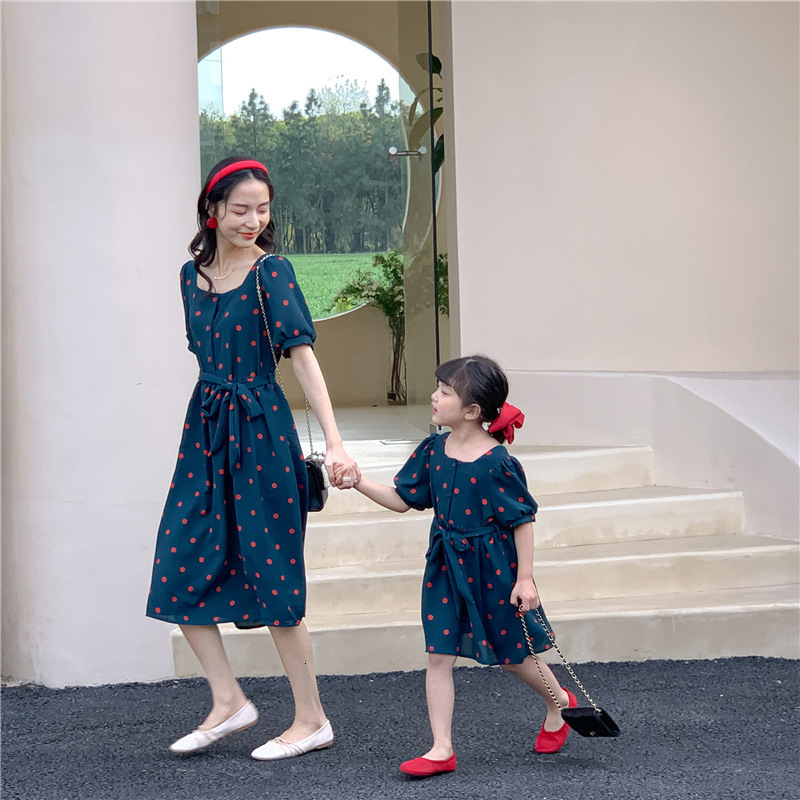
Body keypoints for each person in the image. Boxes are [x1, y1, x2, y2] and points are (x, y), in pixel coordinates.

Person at [146, 157, 360, 760]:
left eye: (262, 209)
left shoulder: (274, 273)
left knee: (273, 577)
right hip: (206, 431)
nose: (253, 220)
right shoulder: (190, 277)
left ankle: (312, 718)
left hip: (262, 430)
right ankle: (229, 702)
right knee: (176, 568)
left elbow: (303, 358)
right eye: (240, 209)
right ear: (211, 211)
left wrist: (335, 441)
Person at [339, 355, 576, 776]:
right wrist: (358, 481)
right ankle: (441, 749)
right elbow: (402, 499)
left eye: (445, 391)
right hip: (446, 565)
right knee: (439, 654)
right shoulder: (433, 449)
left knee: (512, 654)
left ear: (472, 411)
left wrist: (524, 580)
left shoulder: (498, 463)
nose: (434, 396)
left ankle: (559, 701)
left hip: (494, 568)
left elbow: (522, 520)